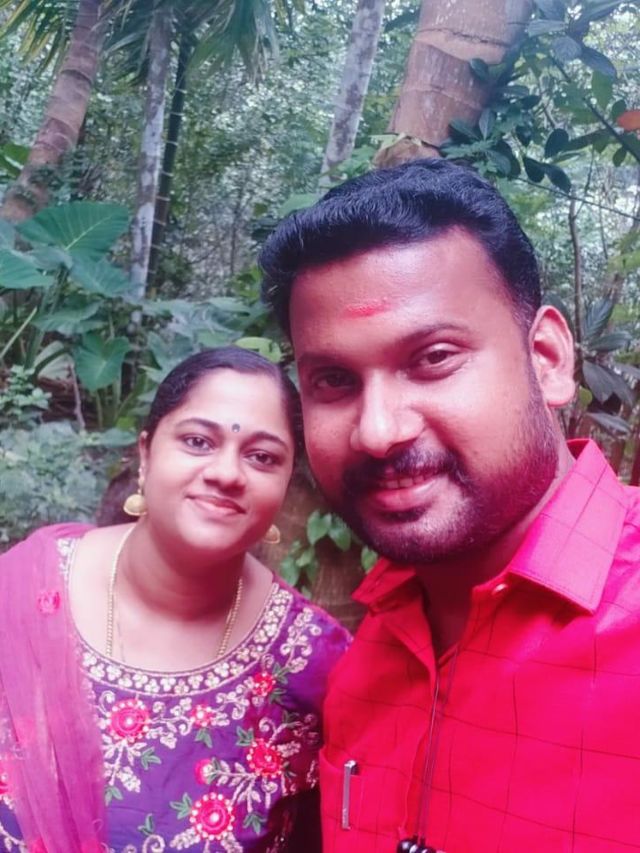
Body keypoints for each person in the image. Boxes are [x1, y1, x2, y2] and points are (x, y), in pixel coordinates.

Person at [259, 159, 640, 853]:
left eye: (433, 357)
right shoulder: (365, 658)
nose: (379, 431)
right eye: (334, 380)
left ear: (547, 358)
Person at [0, 346, 350, 853]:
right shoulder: (23, 596)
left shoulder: (315, 665)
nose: (227, 473)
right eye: (197, 441)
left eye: (262, 457)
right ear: (145, 455)